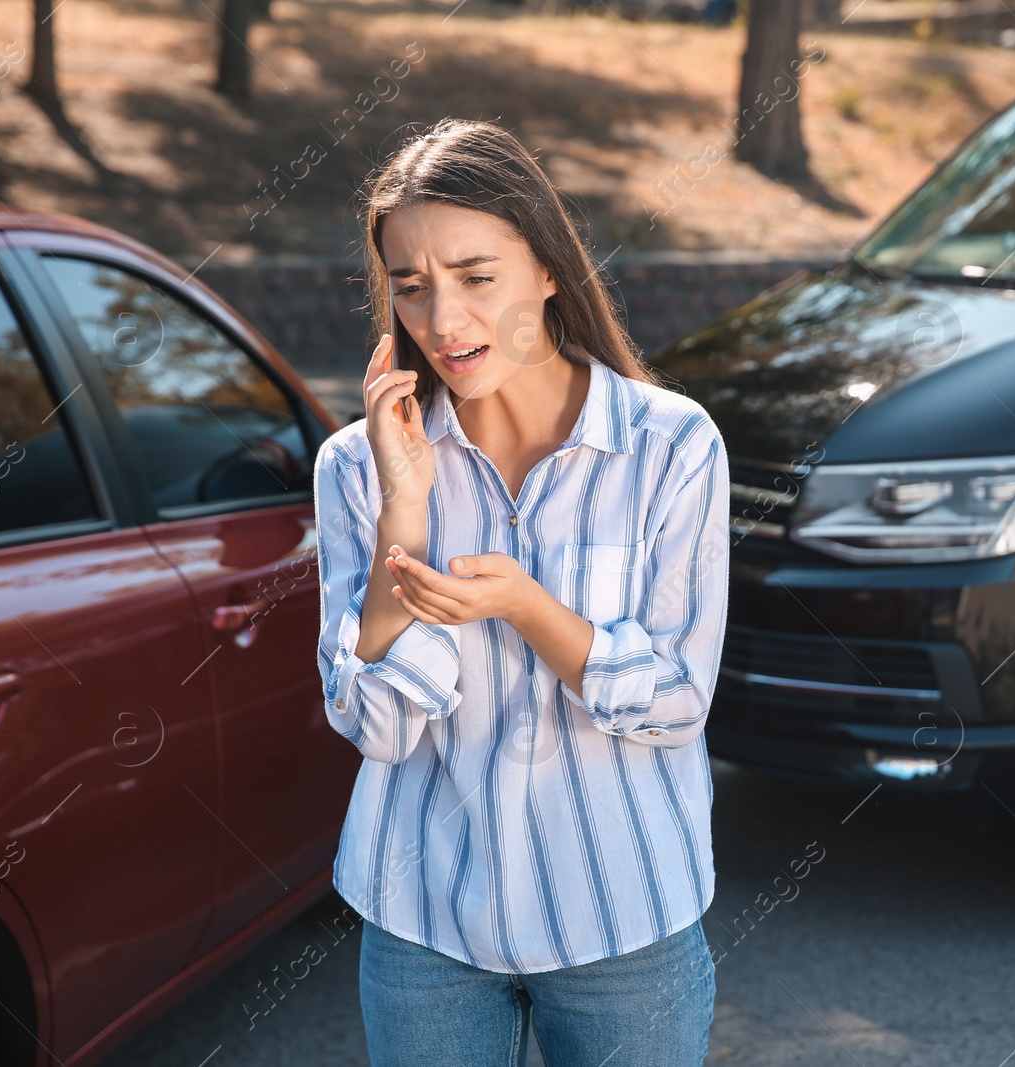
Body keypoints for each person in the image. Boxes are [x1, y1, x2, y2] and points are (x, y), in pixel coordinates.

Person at [312, 117, 730, 1067]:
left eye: (476, 276)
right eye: (410, 287)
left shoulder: (671, 447)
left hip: (625, 921)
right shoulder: (358, 466)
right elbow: (375, 727)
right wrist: (404, 511)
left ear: (548, 268)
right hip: (424, 922)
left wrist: (529, 607)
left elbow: (674, 703)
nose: (444, 320)